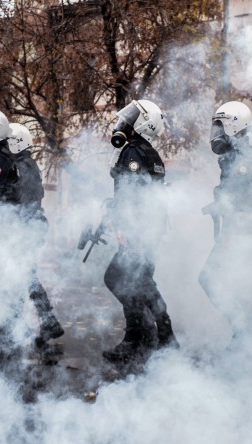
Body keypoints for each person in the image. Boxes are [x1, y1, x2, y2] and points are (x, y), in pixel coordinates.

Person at [102, 99, 178, 364]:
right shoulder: (149, 152)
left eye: (131, 117)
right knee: (133, 280)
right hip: (148, 228)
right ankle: (143, 337)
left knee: (128, 279)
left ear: (143, 123)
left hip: (138, 229)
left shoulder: (134, 151)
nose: (124, 121)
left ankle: (157, 337)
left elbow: (131, 192)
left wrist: (123, 224)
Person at [198, 101, 252, 338]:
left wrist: (222, 203)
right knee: (234, 283)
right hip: (239, 232)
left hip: (244, 233)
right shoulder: (233, 156)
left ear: (235, 126)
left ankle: (248, 334)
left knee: (211, 278)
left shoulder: (244, 158)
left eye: (220, 127)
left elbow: (242, 197)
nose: (216, 134)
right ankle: (248, 334)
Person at [7, 122, 63, 348]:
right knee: (26, 276)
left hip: (27, 226)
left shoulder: (23, 166)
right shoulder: (27, 164)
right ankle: (47, 323)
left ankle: (24, 326)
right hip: (31, 225)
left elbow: (22, 197)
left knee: (21, 276)